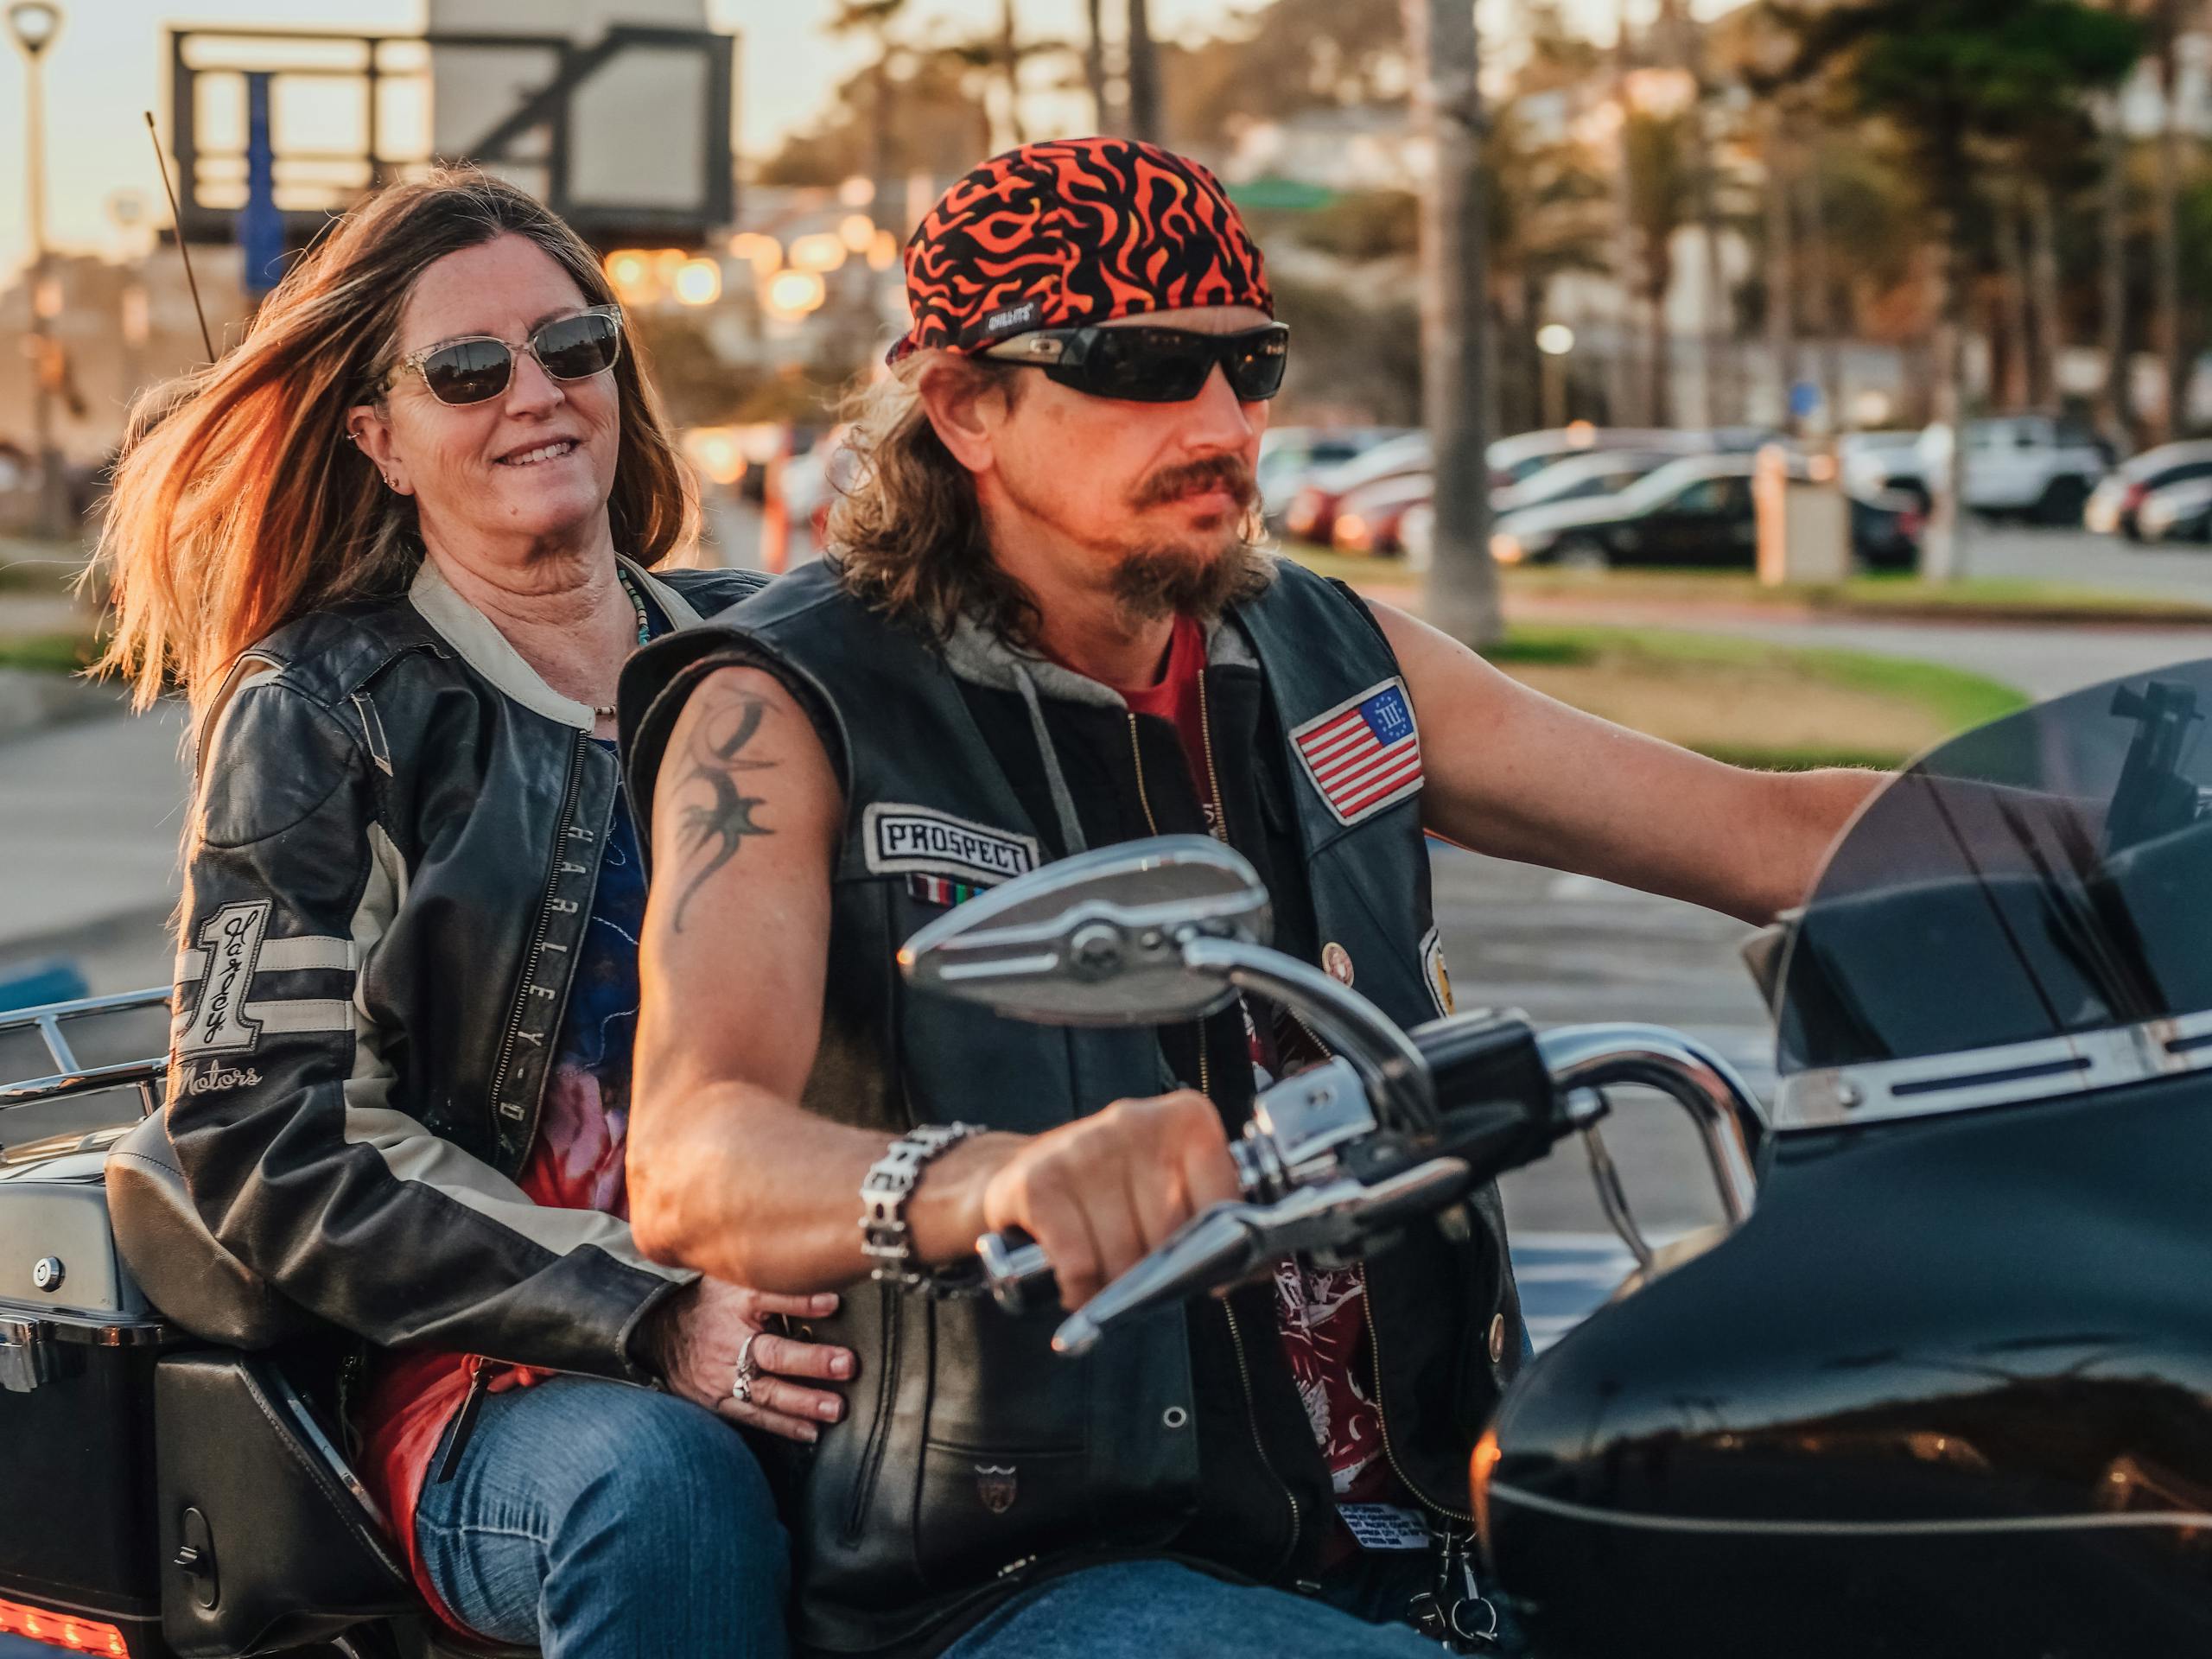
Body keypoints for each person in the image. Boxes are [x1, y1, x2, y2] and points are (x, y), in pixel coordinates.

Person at [615, 136, 1878, 1658]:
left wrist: (2128, 826)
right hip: (1040, 1567)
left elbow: (1759, 828)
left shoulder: (1330, 653)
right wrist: (991, 1183)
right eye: (1145, 364)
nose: (1223, 419)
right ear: (964, 405)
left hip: (1442, 1517)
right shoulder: (787, 703)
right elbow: (690, 1157)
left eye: (1250, 363)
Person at [92, 168, 849, 1658]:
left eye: (575, 349)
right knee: (660, 1488)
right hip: (501, 1382)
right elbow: (264, 1142)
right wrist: (649, 1313)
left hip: (825, 1308)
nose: (537, 395)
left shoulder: (775, 653)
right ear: (380, 436)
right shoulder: (323, 713)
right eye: (466, 370)